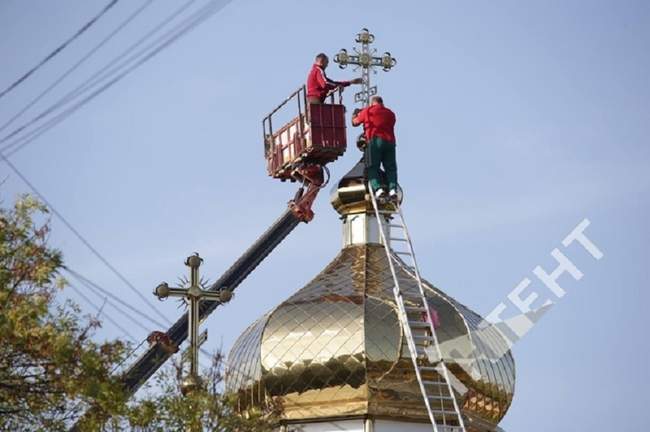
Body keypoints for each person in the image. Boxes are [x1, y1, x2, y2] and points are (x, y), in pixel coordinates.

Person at [352, 96, 398, 201]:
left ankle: (378, 189)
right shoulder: (390, 113)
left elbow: (355, 122)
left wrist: (355, 114)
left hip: (374, 141)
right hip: (390, 142)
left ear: (372, 103)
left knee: (372, 166)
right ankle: (392, 190)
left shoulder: (368, 111)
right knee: (391, 168)